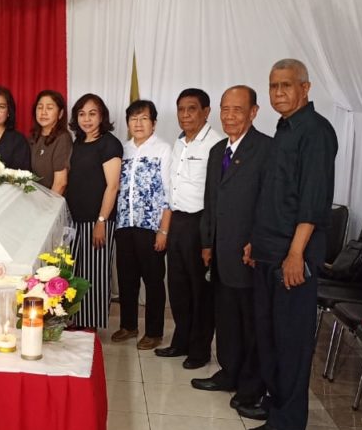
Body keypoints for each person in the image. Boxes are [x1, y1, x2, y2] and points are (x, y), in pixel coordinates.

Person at [245, 59, 337, 430]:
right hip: (268, 250)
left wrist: (296, 254)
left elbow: (312, 202)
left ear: (305, 88)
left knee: (290, 338)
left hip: (292, 256)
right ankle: (275, 400)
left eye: (286, 85)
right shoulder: (284, 128)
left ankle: (289, 419)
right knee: (268, 333)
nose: (279, 92)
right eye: (273, 86)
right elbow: (273, 195)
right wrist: (255, 240)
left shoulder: (316, 132)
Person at [192, 86, 271, 410]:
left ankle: (251, 386)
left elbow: (268, 203)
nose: (229, 116)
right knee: (225, 318)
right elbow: (211, 201)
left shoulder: (266, 149)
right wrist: (206, 241)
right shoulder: (217, 151)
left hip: (248, 252)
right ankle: (228, 372)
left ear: (253, 112)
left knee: (250, 321)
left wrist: (257, 240)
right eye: (225, 109)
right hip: (220, 251)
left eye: (237, 109)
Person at [154, 88, 224, 369]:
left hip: (200, 222)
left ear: (206, 112)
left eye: (191, 109)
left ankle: (199, 349)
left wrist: (208, 238)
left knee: (200, 291)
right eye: (181, 109)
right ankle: (180, 341)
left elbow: (216, 195)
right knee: (179, 287)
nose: (185, 115)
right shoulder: (180, 142)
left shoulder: (216, 145)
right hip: (178, 221)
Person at [111, 100, 172, 350]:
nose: (138, 123)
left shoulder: (163, 150)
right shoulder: (122, 150)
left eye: (144, 118)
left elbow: (169, 193)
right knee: (127, 278)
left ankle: (154, 332)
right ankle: (129, 325)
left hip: (151, 227)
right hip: (124, 224)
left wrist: (164, 230)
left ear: (154, 123)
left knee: (153, 280)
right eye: (133, 119)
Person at [65, 93, 122, 330]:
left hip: (97, 220)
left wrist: (101, 221)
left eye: (92, 113)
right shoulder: (77, 143)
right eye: (81, 114)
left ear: (102, 116)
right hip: (74, 220)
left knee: (94, 275)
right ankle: (74, 320)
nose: (86, 119)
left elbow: (113, 185)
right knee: (74, 272)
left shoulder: (109, 143)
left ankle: (90, 325)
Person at [28, 90, 72, 194]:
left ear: (60, 113)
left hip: (51, 200)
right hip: (33, 196)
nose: (43, 112)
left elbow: (60, 184)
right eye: (40, 107)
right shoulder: (33, 137)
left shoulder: (62, 138)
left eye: (49, 108)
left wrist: (47, 204)